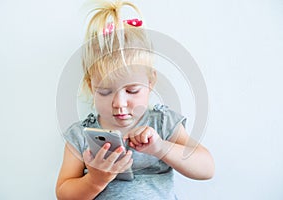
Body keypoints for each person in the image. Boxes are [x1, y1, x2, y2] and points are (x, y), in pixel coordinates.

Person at [56, 0, 214, 199]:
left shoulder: (162, 123)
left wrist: (160, 148)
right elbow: (63, 194)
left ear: (151, 82)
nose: (119, 104)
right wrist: (95, 180)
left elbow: (207, 168)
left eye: (132, 91)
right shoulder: (81, 136)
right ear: (90, 86)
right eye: (105, 92)